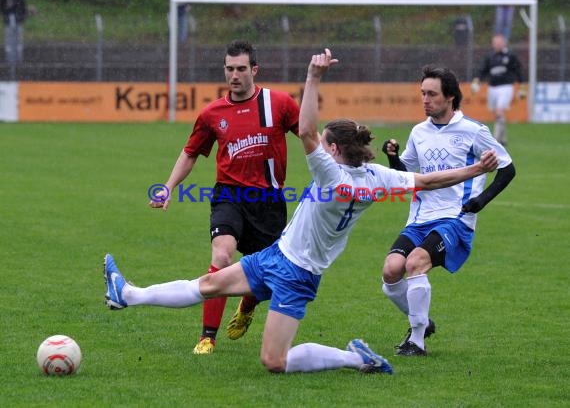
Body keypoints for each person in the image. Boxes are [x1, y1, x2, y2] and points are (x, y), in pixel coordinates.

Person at [104, 49, 498, 374]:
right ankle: (128, 294)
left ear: (333, 149)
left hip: (297, 274)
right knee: (208, 284)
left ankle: (354, 357)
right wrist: (475, 170)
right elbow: (428, 181)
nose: (318, 144)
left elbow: (307, 129)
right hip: (277, 256)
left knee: (274, 361)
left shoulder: (329, 174)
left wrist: (313, 77)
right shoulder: (376, 177)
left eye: (325, 142)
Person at [149, 40, 300, 354]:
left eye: (241, 69)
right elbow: (190, 153)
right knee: (221, 255)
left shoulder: (280, 103)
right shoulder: (212, 113)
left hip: (269, 201)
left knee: (272, 277)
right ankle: (207, 337)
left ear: (254, 70)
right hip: (228, 195)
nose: (234, 75)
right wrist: (169, 186)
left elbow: (310, 135)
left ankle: (247, 304)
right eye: (229, 69)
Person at [381, 65, 516, 356]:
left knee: (415, 263)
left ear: (450, 97)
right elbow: (407, 174)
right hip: (418, 218)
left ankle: (416, 340)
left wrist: (481, 201)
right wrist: (392, 157)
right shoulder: (419, 132)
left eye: (432, 94)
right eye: (422, 93)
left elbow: (507, 169)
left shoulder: (473, 131)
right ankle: (423, 321)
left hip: (456, 219)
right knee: (391, 271)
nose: (425, 100)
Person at [470, 34, 525, 147]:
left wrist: (522, 87)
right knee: (497, 114)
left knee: (500, 111)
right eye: (495, 42)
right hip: (493, 88)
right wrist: (477, 81)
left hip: (506, 87)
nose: (497, 44)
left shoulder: (510, 56)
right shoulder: (490, 56)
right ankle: (503, 138)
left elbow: (518, 70)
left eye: (499, 42)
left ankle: (495, 139)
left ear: (504, 43)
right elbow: (482, 70)